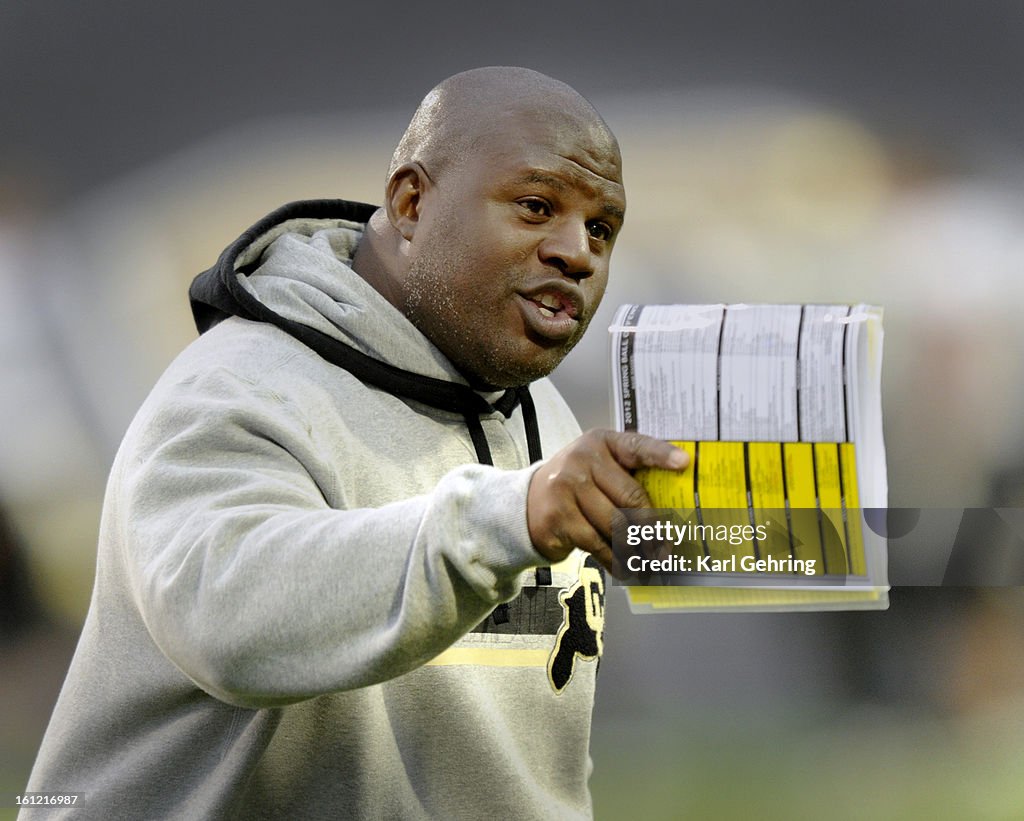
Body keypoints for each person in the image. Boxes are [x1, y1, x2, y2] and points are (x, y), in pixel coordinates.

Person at [23, 66, 686, 819]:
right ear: (411, 202)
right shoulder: (239, 389)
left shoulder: (546, 420)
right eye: (536, 206)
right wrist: (511, 515)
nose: (578, 250)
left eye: (601, 228)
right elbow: (231, 623)